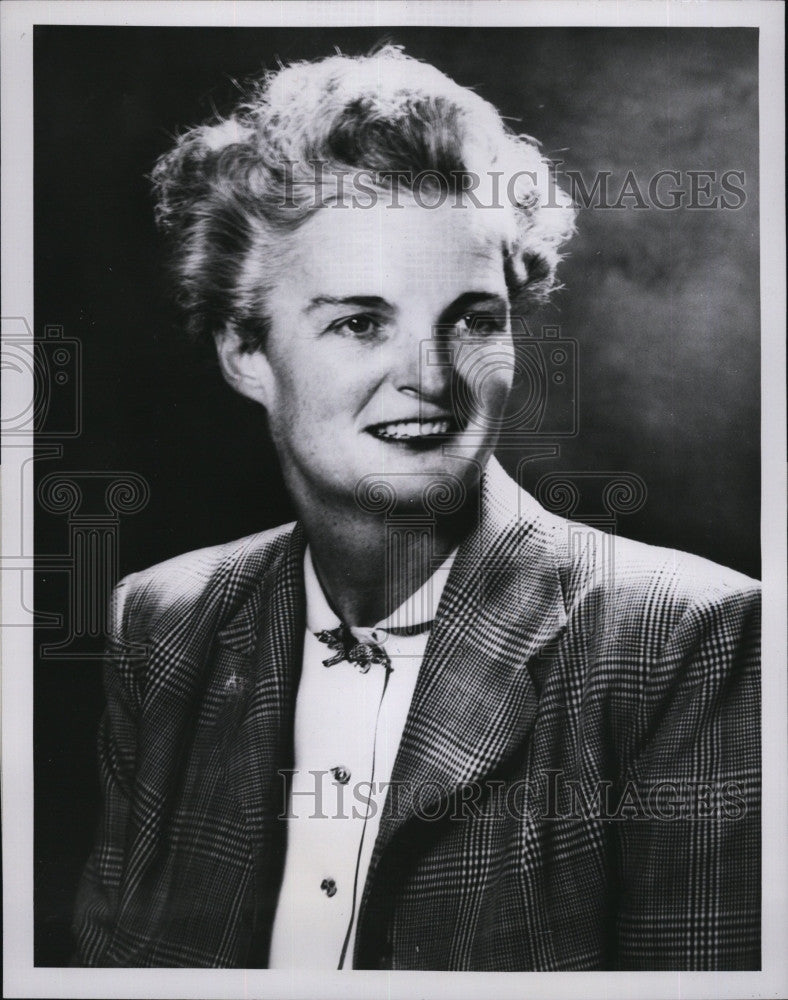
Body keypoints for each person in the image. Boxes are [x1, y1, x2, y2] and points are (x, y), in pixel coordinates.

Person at [72, 45, 760, 970]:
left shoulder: (691, 642)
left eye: (474, 319)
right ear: (245, 350)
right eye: (360, 322)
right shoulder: (161, 622)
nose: (430, 379)